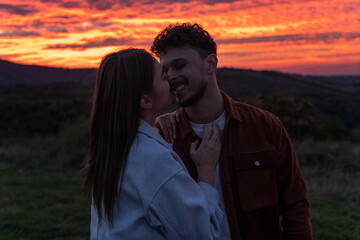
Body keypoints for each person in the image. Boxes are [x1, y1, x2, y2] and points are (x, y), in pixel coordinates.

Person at [152, 23, 313, 240]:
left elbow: (295, 206)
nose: (171, 76)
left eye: (179, 65)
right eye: (165, 70)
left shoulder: (265, 126)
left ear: (210, 64)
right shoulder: (164, 137)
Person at [83, 48, 225, 240]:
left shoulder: (114, 149)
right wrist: (206, 170)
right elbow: (203, 234)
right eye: (163, 77)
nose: (171, 79)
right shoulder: (152, 160)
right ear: (145, 101)